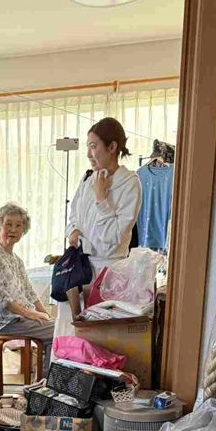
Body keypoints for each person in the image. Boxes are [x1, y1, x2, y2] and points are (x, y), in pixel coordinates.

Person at [57, 117, 142, 342]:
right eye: (88, 147)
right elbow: (73, 216)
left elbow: (114, 237)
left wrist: (102, 199)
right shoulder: (88, 178)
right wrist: (73, 231)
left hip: (108, 273)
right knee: (70, 337)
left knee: (100, 341)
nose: (88, 153)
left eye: (93, 146)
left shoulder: (130, 183)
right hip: (79, 268)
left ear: (112, 147)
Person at [0, 202, 54, 361]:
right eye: (8, 224)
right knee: (60, 331)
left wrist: (46, 315)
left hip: (22, 319)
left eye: (18, 225)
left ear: (23, 230)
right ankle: (49, 377)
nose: (13, 229)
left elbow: (30, 294)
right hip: (7, 322)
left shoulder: (17, 260)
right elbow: (0, 299)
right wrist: (31, 314)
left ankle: (46, 376)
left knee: (58, 330)